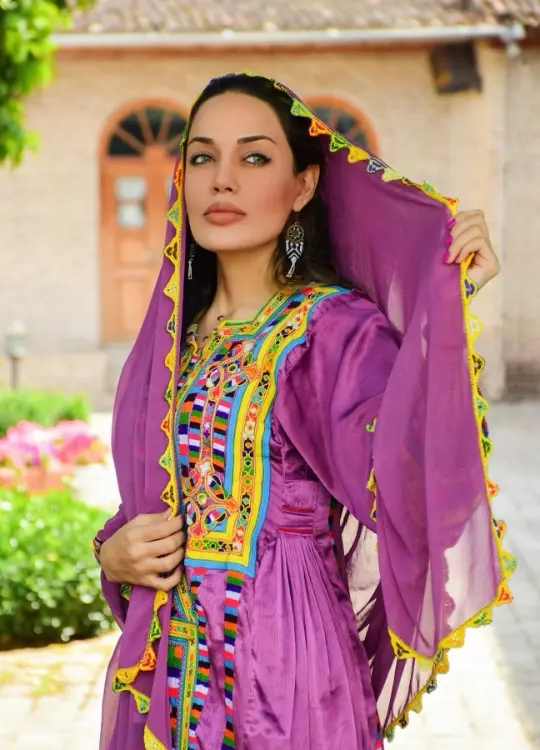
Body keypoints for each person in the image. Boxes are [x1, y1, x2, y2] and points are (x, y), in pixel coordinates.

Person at [93, 73, 515, 750]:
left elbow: (412, 485)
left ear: (303, 186)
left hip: (286, 677)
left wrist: (447, 313)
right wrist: (114, 554)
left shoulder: (333, 330)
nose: (222, 180)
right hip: (168, 685)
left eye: (254, 157)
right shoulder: (173, 346)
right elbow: (153, 502)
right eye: (202, 157)